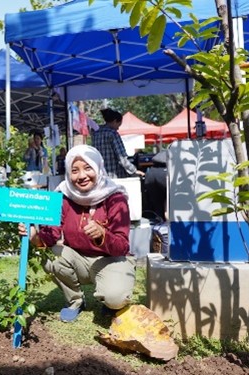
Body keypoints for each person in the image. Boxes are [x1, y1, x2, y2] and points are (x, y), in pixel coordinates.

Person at [19, 145, 136, 322]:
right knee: (51, 257)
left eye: (88, 168)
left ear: (98, 168)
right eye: (74, 170)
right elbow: (51, 235)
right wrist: (34, 236)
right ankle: (76, 301)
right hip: (78, 259)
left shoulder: (115, 197)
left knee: (115, 298)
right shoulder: (64, 196)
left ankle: (108, 298)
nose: (81, 176)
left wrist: (102, 234)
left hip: (112, 260)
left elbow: (122, 245)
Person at [91, 108, 145, 178]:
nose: (118, 128)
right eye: (118, 125)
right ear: (115, 121)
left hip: (100, 176)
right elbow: (122, 158)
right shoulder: (113, 134)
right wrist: (134, 170)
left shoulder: (95, 134)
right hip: (115, 176)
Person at [144, 150, 168, 222]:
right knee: (170, 201)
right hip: (166, 171)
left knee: (157, 204)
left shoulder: (162, 154)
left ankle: (160, 221)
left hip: (151, 174)